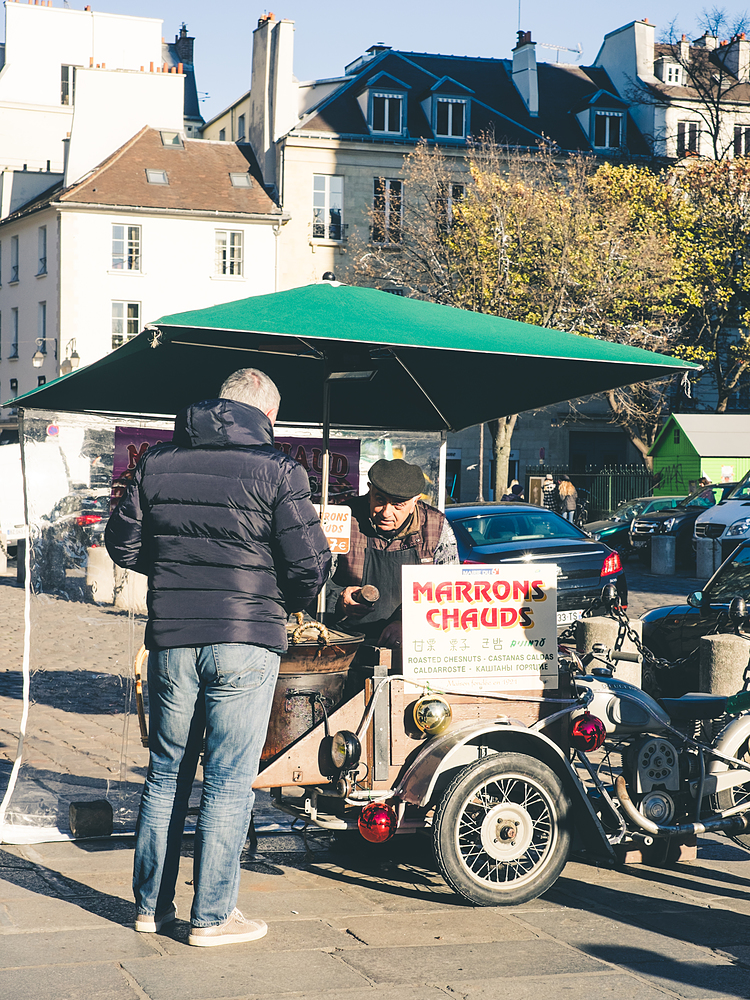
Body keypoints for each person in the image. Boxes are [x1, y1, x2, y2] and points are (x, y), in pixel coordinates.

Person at [105, 369, 331, 948]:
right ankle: (211, 917)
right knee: (229, 781)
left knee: (165, 774)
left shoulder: (157, 461)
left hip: (173, 636)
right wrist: (284, 599)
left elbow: (121, 543)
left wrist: (175, 576)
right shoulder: (281, 470)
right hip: (246, 635)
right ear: (266, 416)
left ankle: (150, 909)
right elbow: (309, 564)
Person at [329, 458, 458, 642]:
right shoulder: (344, 519)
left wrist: (408, 621)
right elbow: (312, 580)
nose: (386, 512)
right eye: (380, 499)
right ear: (369, 490)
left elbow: (450, 590)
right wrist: (338, 600)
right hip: (344, 640)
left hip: (410, 645)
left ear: (415, 501)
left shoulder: (436, 527)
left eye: (398, 504)